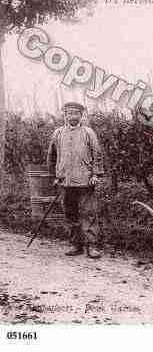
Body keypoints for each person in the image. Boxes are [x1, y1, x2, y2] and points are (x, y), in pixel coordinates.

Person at [47, 102, 104, 259]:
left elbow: (97, 154)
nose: (72, 116)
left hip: (85, 181)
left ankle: (92, 246)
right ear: (65, 115)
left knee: (89, 213)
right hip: (65, 181)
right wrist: (55, 176)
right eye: (69, 113)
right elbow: (51, 156)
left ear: (81, 115)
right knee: (70, 214)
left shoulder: (88, 132)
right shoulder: (58, 133)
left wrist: (95, 175)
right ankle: (75, 244)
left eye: (76, 113)